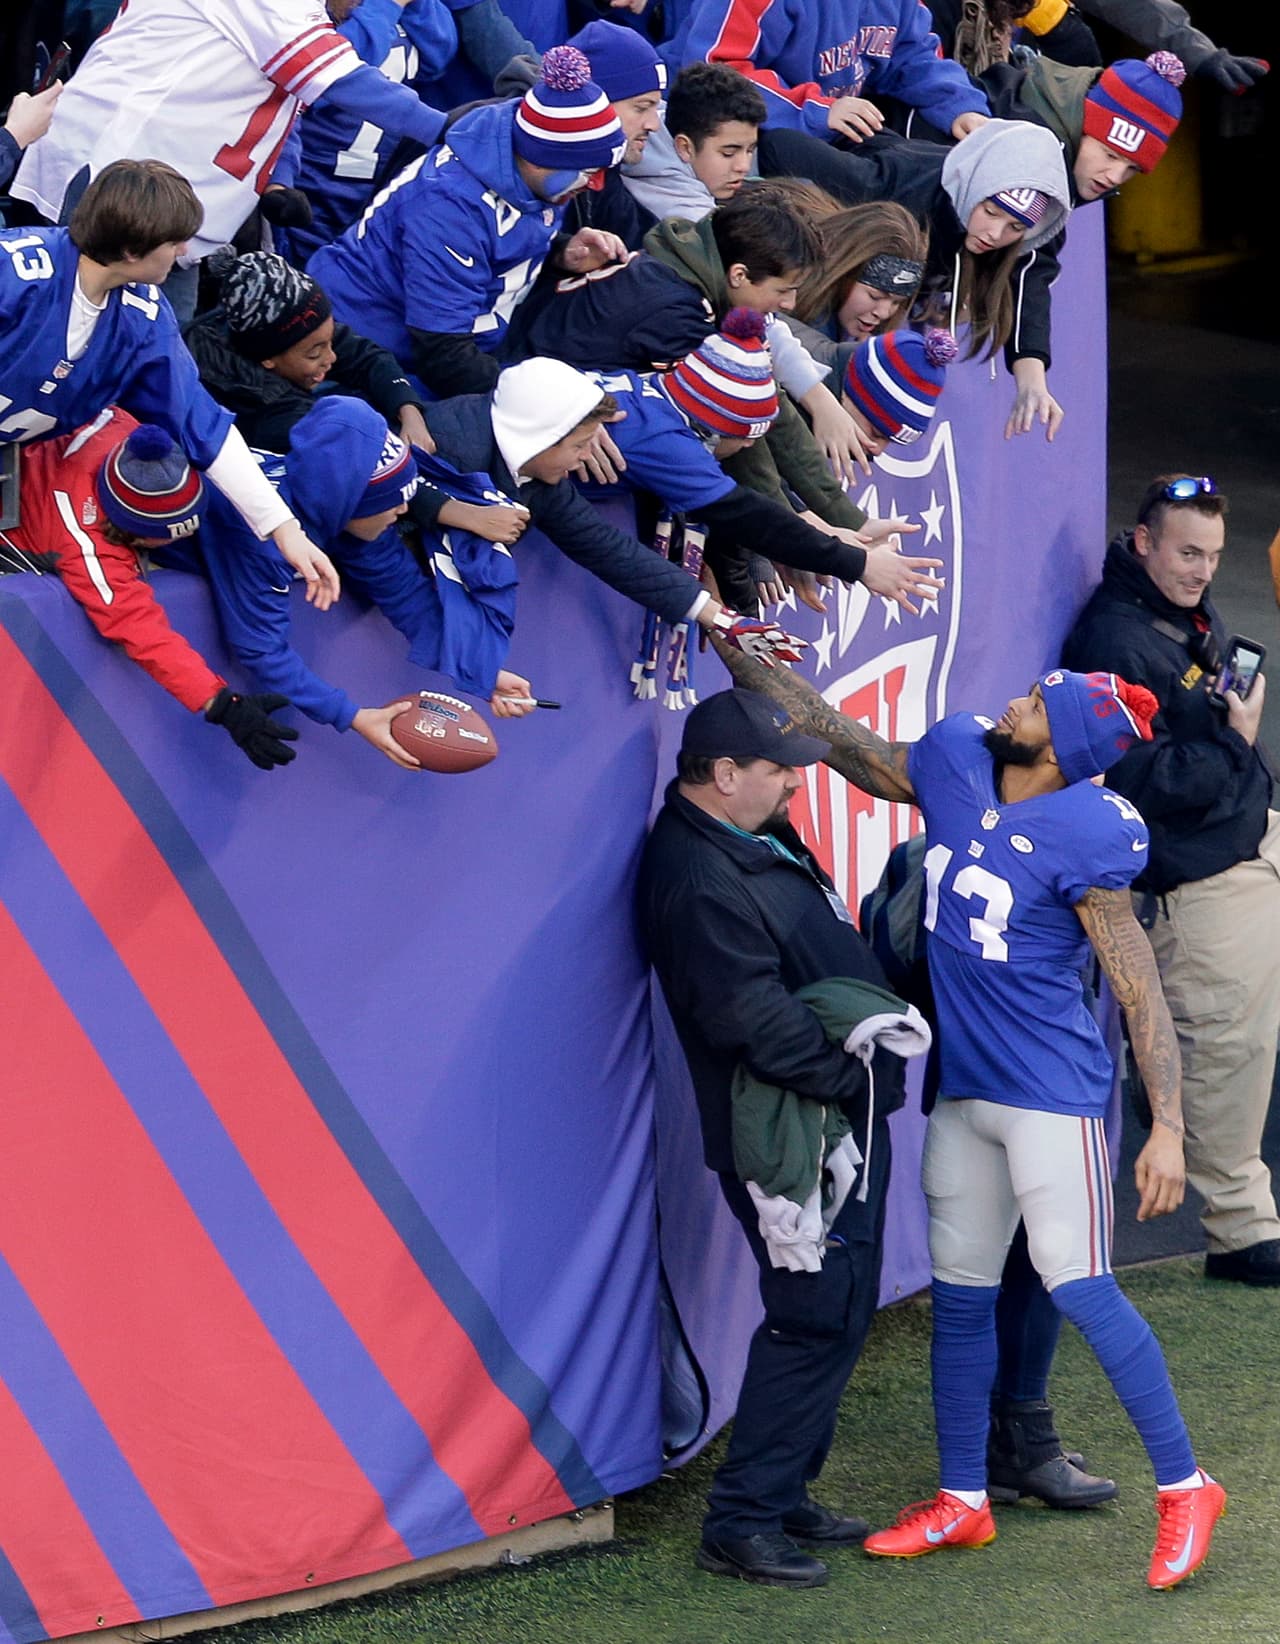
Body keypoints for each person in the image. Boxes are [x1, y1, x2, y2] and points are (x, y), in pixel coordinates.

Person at [710, 645, 1228, 1589]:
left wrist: (1168, 1125)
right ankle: (963, 1498)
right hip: (965, 1088)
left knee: (1080, 1283)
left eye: (1035, 704)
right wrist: (725, 636)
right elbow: (841, 738)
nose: (1012, 705)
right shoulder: (957, 760)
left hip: (1051, 1093)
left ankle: (1187, 1487)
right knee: (960, 1295)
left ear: (1060, 749)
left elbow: (1135, 982)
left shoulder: (1088, 830)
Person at [636, 687, 919, 1589]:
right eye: (780, 771)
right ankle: (742, 1523)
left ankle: (785, 1489)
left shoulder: (746, 830)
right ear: (724, 775)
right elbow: (748, 1017)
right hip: (797, 1134)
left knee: (841, 1303)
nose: (798, 784)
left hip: (833, 1120)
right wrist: (852, 1077)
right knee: (812, 1312)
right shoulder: (695, 875)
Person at [1062, 474, 1280, 1286]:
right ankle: (1241, 1233)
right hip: (1196, 884)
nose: (1203, 570)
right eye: (1188, 553)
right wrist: (1236, 740)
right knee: (1228, 1049)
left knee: (1247, 1044)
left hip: (1251, 839)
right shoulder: (1112, 641)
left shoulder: (1179, 606)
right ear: (1145, 541)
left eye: (1213, 556)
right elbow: (1134, 783)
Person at [0, 160, 339, 606]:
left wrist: (283, 527)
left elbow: (201, 422)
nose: (184, 250)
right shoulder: (17, 271)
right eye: (174, 240)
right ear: (131, 249)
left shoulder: (143, 315)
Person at [10, 0, 448, 319]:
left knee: (144, 358)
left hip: (170, 217)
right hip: (113, 189)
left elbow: (282, 105)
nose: (362, 5)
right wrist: (454, 131)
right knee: (61, 335)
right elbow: (345, 83)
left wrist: (279, 180)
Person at [419, 354, 811, 666]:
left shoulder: (540, 479)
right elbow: (389, 504)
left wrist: (722, 619)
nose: (588, 457)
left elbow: (611, 550)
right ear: (539, 438)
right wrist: (454, 512)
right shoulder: (448, 448)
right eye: (580, 445)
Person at [308, 45, 629, 399]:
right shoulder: (448, 210)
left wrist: (560, 252)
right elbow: (444, 356)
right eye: (589, 171)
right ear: (540, 158)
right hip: (367, 359)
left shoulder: (526, 162)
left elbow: (501, 242)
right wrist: (539, 403)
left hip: (454, 343)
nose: (595, 185)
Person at [582, 307, 944, 611]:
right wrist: (860, 564)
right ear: (718, 428)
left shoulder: (655, 392)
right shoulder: (671, 448)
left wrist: (839, 527)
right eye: (746, 439)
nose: (748, 448)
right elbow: (753, 519)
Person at [0, 412, 298, 771]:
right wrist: (222, 704)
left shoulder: (129, 432)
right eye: (167, 535)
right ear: (133, 531)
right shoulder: (87, 545)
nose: (183, 538)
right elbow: (141, 630)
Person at [756, 118, 1072, 440]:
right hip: (818, 266)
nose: (995, 234)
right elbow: (778, 145)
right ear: (972, 186)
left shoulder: (1006, 245)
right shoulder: (892, 184)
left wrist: (1032, 382)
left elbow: (1030, 285)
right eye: (990, 212)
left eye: (1015, 228)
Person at [679, 0, 991, 144]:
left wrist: (960, 107)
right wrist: (815, 109)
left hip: (836, 124)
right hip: (752, 131)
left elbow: (913, 55)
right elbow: (713, 70)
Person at [619, 61, 767, 225]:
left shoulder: (661, 115)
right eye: (728, 153)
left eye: (750, 150)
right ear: (685, 148)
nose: (743, 166)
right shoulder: (688, 213)